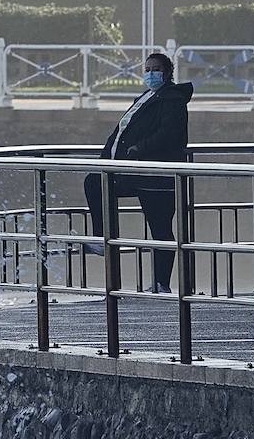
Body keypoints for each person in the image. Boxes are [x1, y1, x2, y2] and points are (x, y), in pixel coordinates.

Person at [82, 52, 193, 293]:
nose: (151, 74)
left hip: (157, 175)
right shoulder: (145, 97)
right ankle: (102, 238)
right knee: (95, 183)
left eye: (156, 69)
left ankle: (162, 283)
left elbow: (169, 133)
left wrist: (139, 148)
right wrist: (107, 158)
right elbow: (122, 131)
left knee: (160, 228)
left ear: (167, 72)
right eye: (147, 69)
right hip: (135, 170)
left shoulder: (172, 99)